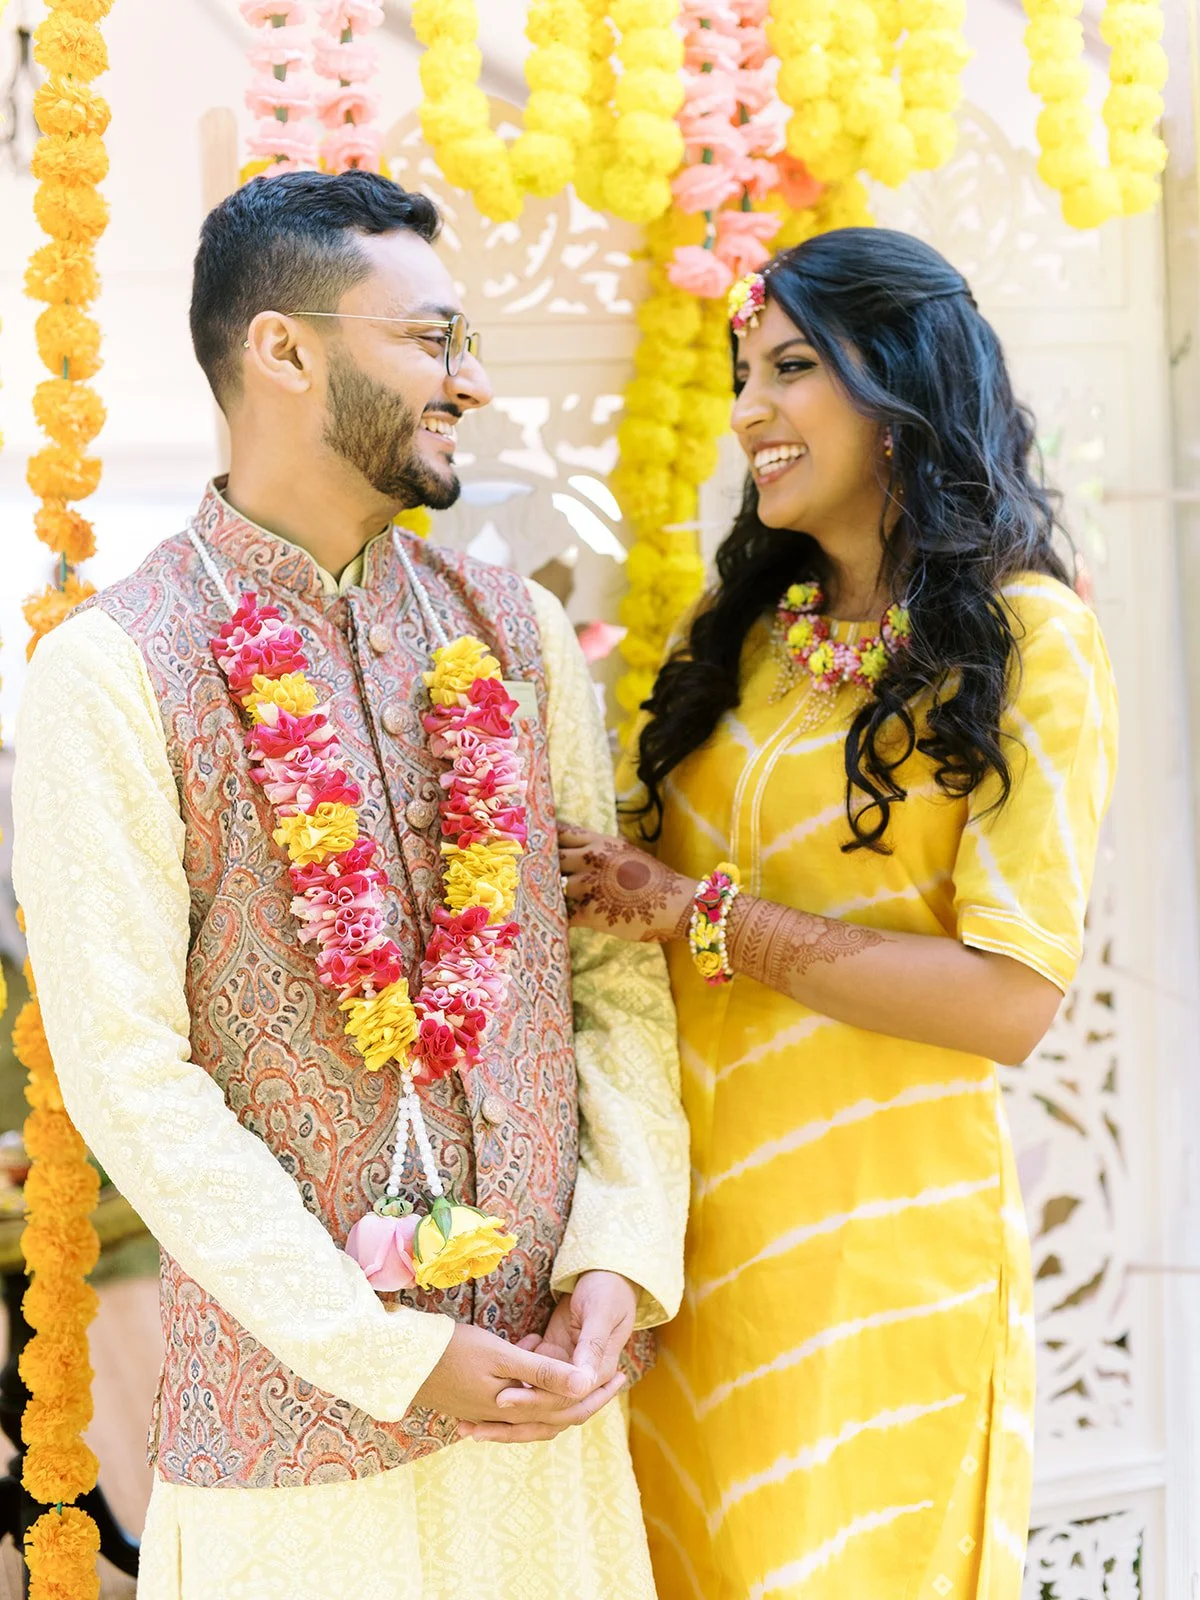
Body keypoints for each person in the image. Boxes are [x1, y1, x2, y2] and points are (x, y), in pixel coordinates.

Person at [13, 170, 688, 1600]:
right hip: (291, 1457)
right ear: (285, 350)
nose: (475, 382)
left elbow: (609, 972)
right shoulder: (115, 672)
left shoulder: (514, 636)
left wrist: (621, 1253)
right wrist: (386, 1352)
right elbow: (132, 1075)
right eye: (434, 340)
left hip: (544, 1413)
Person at [559, 228, 1118, 1600]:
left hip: (866, 1262)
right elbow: (630, 898)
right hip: (676, 1257)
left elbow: (1010, 1000)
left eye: (792, 368)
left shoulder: (1027, 640)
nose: (750, 409)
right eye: (746, 373)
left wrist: (703, 917)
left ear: (909, 386)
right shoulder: (746, 634)